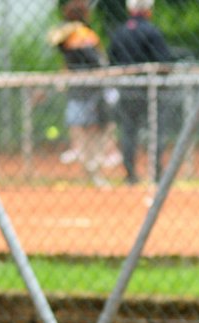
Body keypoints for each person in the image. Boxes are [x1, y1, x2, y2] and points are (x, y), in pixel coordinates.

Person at [48, 0, 120, 186]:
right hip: (88, 89)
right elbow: (98, 60)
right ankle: (88, 160)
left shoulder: (77, 34)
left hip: (86, 89)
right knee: (89, 127)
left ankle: (90, 161)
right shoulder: (75, 33)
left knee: (90, 126)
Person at [108, 0, 173, 184]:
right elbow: (163, 61)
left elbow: (112, 58)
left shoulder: (119, 32)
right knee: (156, 131)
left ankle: (130, 175)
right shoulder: (151, 31)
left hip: (127, 88)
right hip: (150, 89)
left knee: (128, 131)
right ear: (148, 10)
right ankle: (156, 173)